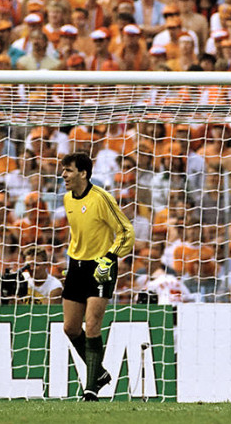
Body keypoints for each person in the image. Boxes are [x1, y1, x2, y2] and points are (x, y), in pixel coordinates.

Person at [60, 151, 135, 401]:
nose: (63, 175)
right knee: (70, 328)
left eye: (68, 170)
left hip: (101, 267)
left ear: (83, 173)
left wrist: (110, 258)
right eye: (63, 170)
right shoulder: (67, 199)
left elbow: (125, 231)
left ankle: (90, 389)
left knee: (92, 325)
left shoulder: (102, 198)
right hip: (76, 266)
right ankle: (100, 373)